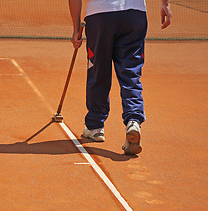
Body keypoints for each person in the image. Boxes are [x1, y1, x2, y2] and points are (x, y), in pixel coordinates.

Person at [68, 0, 171, 155]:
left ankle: (95, 126)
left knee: (98, 70)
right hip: (135, 15)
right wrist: (165, 4)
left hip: (100, 14)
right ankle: (133, 120)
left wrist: (76, 28)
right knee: (131, 73)